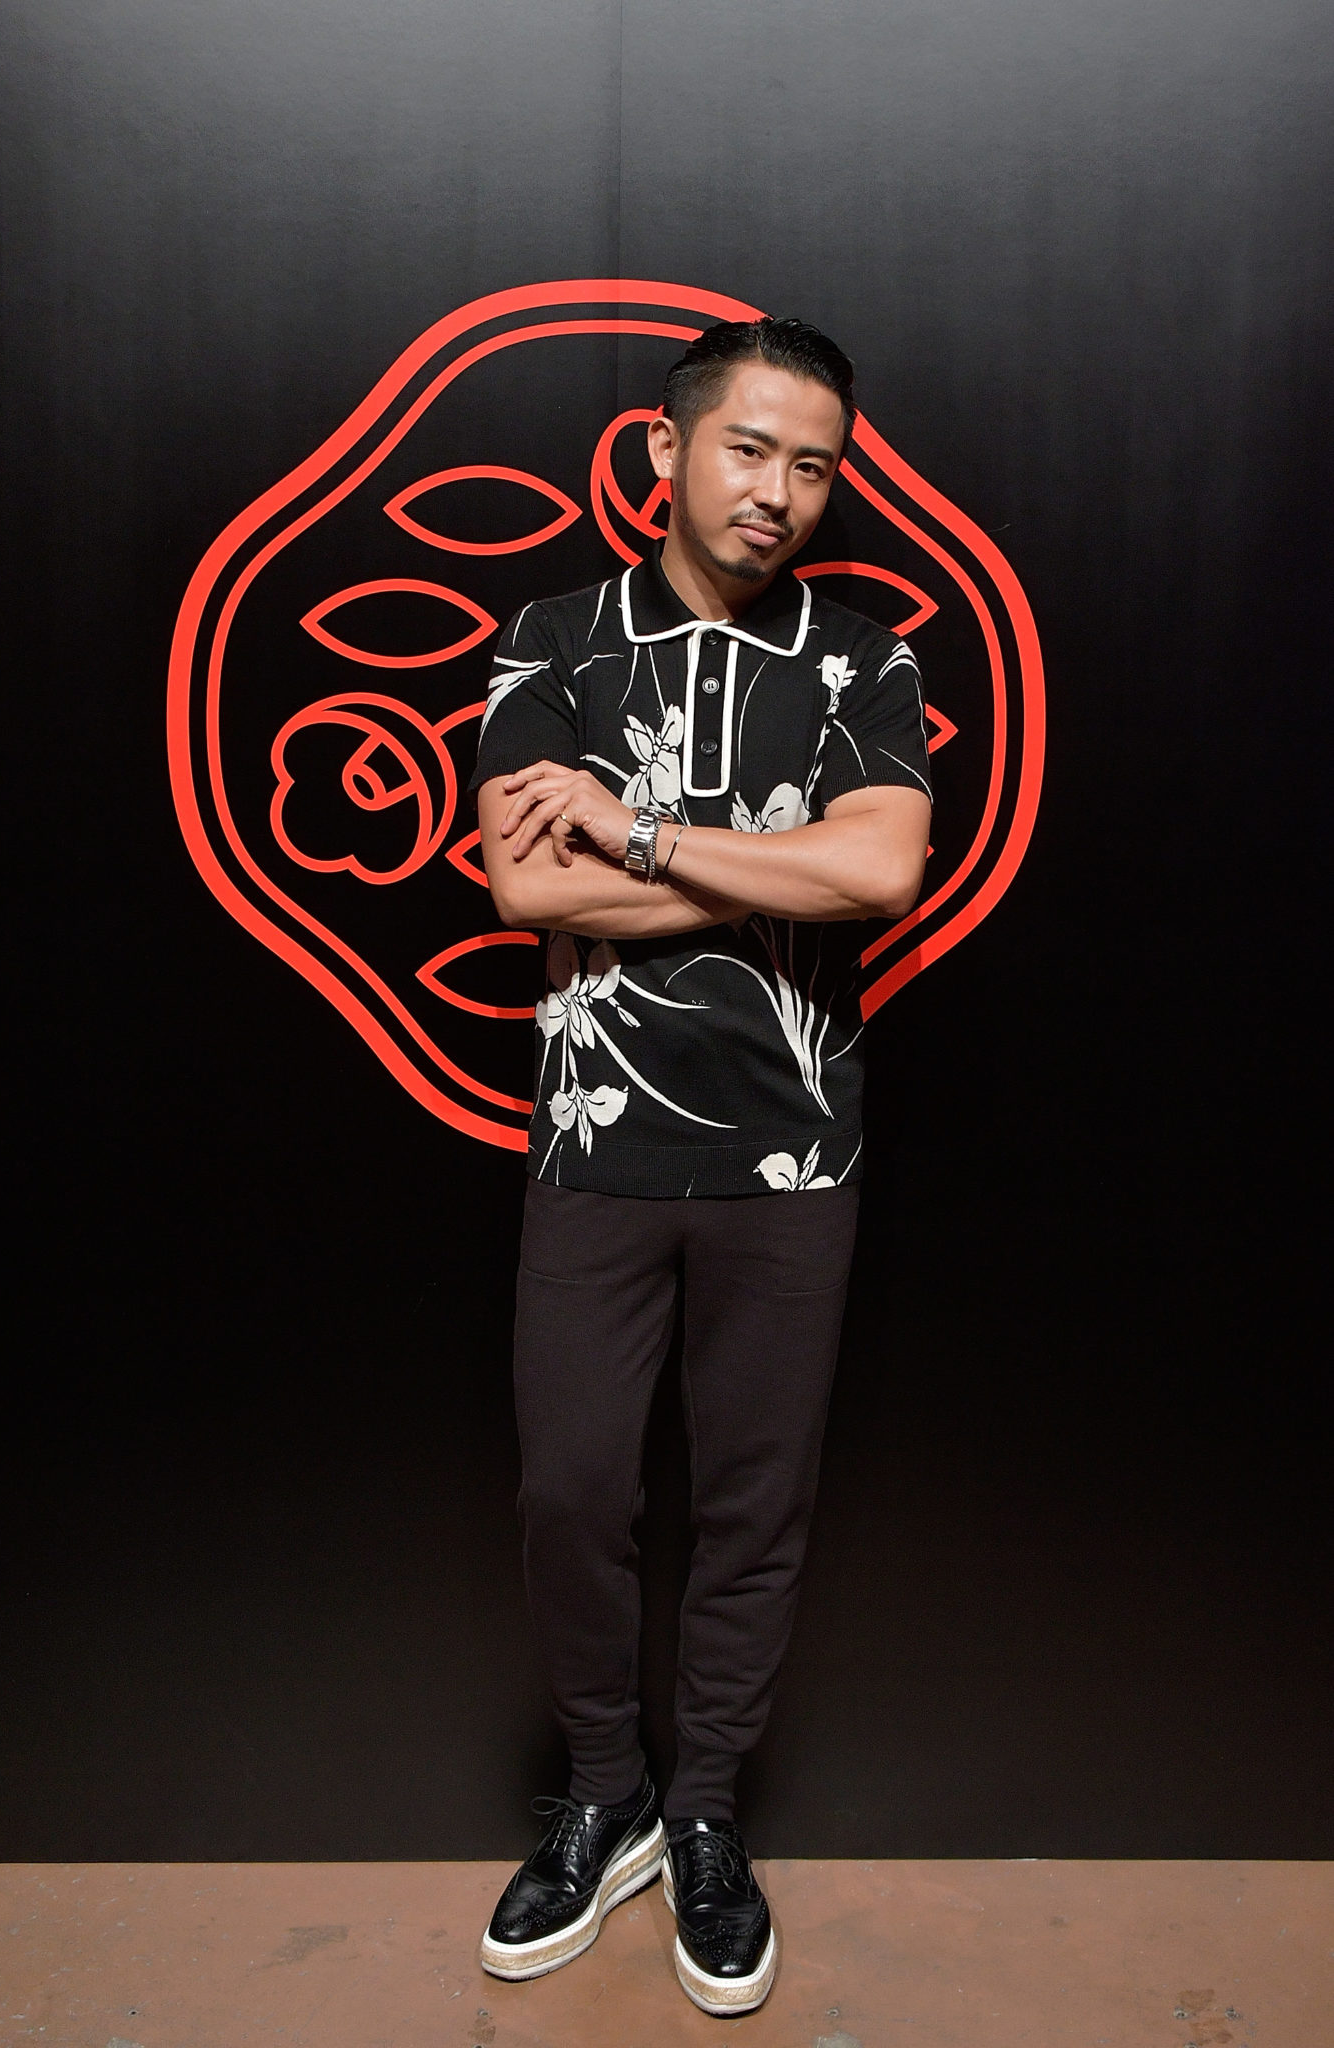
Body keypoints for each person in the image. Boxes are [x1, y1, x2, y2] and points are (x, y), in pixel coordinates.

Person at [468, 317, 931, 2016]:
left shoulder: (862, 659)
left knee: (753, 1503)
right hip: (593, 1145)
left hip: (794, 1160)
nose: (777, 492)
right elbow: (527, 890)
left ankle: (709, 1810)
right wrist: (774, 861)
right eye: (749, 450)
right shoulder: (554, 641)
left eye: (812, 466)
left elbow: (878, 875)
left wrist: (643, 831)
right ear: (665, 451)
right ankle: (606, 1796)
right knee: (573, 1491)